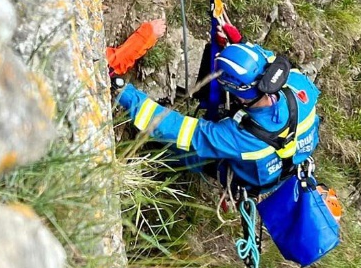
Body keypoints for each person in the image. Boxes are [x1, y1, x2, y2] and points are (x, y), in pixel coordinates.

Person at [111, 36, 321, 202]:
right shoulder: (300, 85)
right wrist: (235, 40)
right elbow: (265, 59)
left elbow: (176, 129)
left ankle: (161, 157)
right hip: (292, 158)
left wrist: (124, 92)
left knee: (185, 150)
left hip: (252, 177)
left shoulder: (238, 136)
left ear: (237, 92)